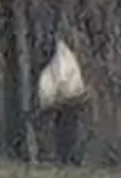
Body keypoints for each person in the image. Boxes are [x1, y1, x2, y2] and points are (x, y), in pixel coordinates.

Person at [35, 36, 90, 166]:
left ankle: (65, 157)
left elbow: (62, 79)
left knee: (66, 128)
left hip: (66, 98)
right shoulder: (62, 55)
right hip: (69, 98)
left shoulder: (61, 55)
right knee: (67, 128)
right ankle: (66, 157)